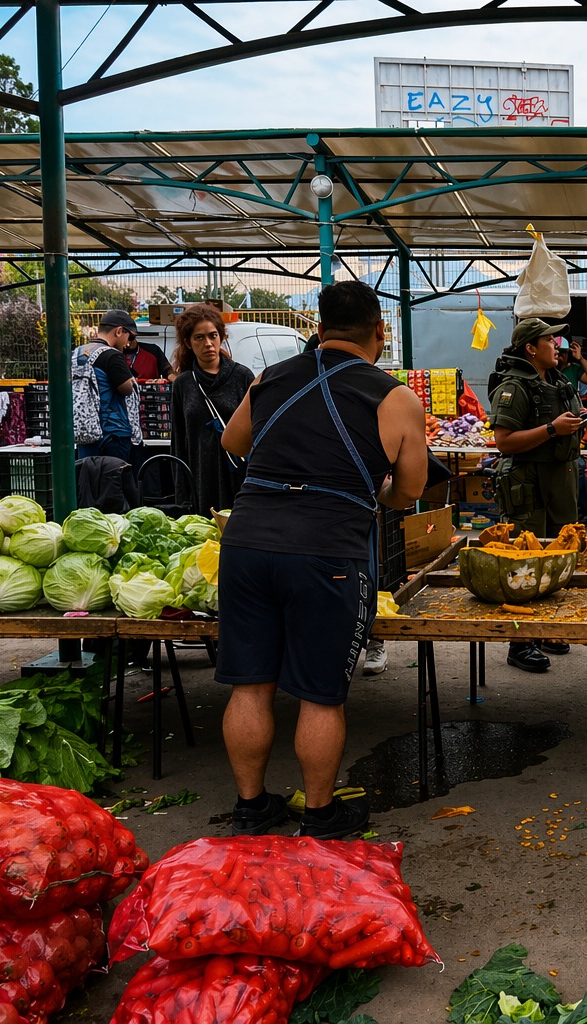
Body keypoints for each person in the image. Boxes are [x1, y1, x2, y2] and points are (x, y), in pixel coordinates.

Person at [215, 280, 427, 840]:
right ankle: (320, 815)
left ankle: (251, 807)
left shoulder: (269, 378)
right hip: (326, 551)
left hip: (246, 540)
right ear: (379, 332)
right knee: (320, 692)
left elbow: (234, 443)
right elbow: (408, 492)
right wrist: (365, 488)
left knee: (251, 684)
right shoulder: (396, 397)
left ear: (318, 328)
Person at [487, 318, 587, 673]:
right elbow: (504, 442)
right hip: (528, 489)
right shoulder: (515, 387)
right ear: (531, 347)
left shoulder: (555, 381)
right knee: (525, 563)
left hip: (559, 484)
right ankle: (519, 642)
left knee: (555, 559)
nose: (557, 344)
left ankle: (542, 629)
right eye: (551, 339)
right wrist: (551, 429)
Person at [170, 303, 254, 518]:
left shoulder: (242, 377)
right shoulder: (184, 384)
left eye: (213, 335)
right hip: (200, 477)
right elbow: (179, 441)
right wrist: (182, 492)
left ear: (221, 337)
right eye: (199, 337)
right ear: (188, 342)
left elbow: (258, 432)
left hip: (237, 475)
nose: (208, 343)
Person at [73, 310, 146, 464]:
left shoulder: (77, 353)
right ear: (119, 331)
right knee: (114, 484)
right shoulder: (112, 355)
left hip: (86, 433)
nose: (128, 343)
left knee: (89, 482)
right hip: (113, 435)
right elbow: (126, 389)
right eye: (130, 337)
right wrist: (132, 381)